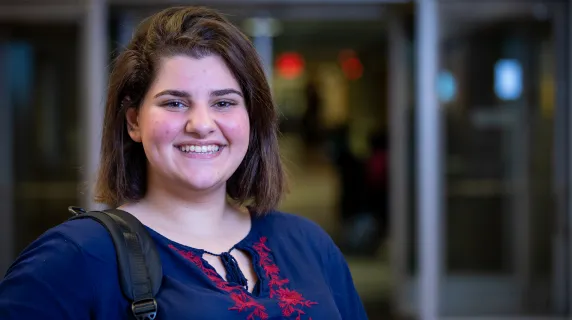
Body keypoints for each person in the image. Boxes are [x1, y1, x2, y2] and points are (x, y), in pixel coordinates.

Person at [0, 6, 367, 320]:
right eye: (174, 103)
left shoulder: (308, 243)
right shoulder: (75, 257)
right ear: (134, 122)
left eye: (224, 103)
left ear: (251, 120)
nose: (202, 125)